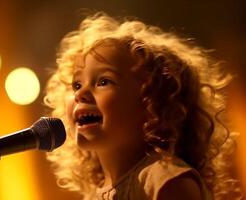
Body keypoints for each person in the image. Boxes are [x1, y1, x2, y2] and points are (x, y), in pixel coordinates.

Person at [44, 12, 242, 200]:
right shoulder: (95, 194)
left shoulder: (166, 180)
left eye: (104, 81)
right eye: (76, 85)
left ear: (153, 102)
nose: (80, 94)